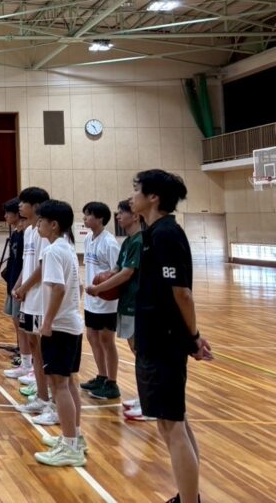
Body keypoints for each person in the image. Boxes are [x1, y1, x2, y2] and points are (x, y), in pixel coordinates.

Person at [130, 169, 211, 503]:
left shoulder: (166, 234)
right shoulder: (153, 233)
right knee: (174, 422)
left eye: (136, 190)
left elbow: (182, 293)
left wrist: (194, 337)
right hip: (155, 339)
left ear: (153, 197)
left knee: (171, 425)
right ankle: (188, 495)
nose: (132, 196)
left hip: (165, 342)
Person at [33, 200, 86, 467]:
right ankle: (74, 436)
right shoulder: (68, 249)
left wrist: (48, 322)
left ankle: (70, 447)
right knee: (68, 383)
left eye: (41, 221)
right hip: (72, 324)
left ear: (53, 225)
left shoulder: (53, 251)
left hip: (60, 327)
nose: (37, 225)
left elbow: (59, 289)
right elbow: (79, 288)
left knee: (59, 386)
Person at [87, 199, 150, 420]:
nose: (118, 217)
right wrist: (102, 280)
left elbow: (126, 273)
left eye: (122, 213)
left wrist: (99, 288)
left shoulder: (139, 241)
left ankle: (151, 402)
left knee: (142, 353)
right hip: (127, 302)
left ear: (136, 216)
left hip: (137, 303)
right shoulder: (128, 241)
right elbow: (116, 269)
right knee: (137, 351)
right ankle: (146, 398)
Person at [12, 186, 56, 426]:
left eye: (24, 202)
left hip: (39, 299)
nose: (20, 206)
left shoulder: (43, 232)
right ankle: (41, 395)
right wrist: (18, 285)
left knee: (42, 349)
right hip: (28, 297)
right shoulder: (29, 231)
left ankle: (49, 397)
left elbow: (42, 267)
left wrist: (25, 288)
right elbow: (27, 264)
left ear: (36, 206)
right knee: (32, 345)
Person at [81, 201, 122, 400]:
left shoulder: (110, 243)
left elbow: (117, 272)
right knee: (92, 336)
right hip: (91, 299)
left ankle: (112, 383)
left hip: (107, 301)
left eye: (88, 215)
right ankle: (102, 376)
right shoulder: (88, 239)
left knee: (107, 340)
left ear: (100, 218)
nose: (84, 218)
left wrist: (100, 289)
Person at [2, 198, 33, 378]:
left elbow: (27, 264)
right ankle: (24, 356)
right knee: (16, 322)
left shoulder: (26, 235)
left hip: (20, 286)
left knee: (22, 325)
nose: (5, 216)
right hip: (13, 283)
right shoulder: (16, 234)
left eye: (8, 212)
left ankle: (28, 361)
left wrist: (20, 285)